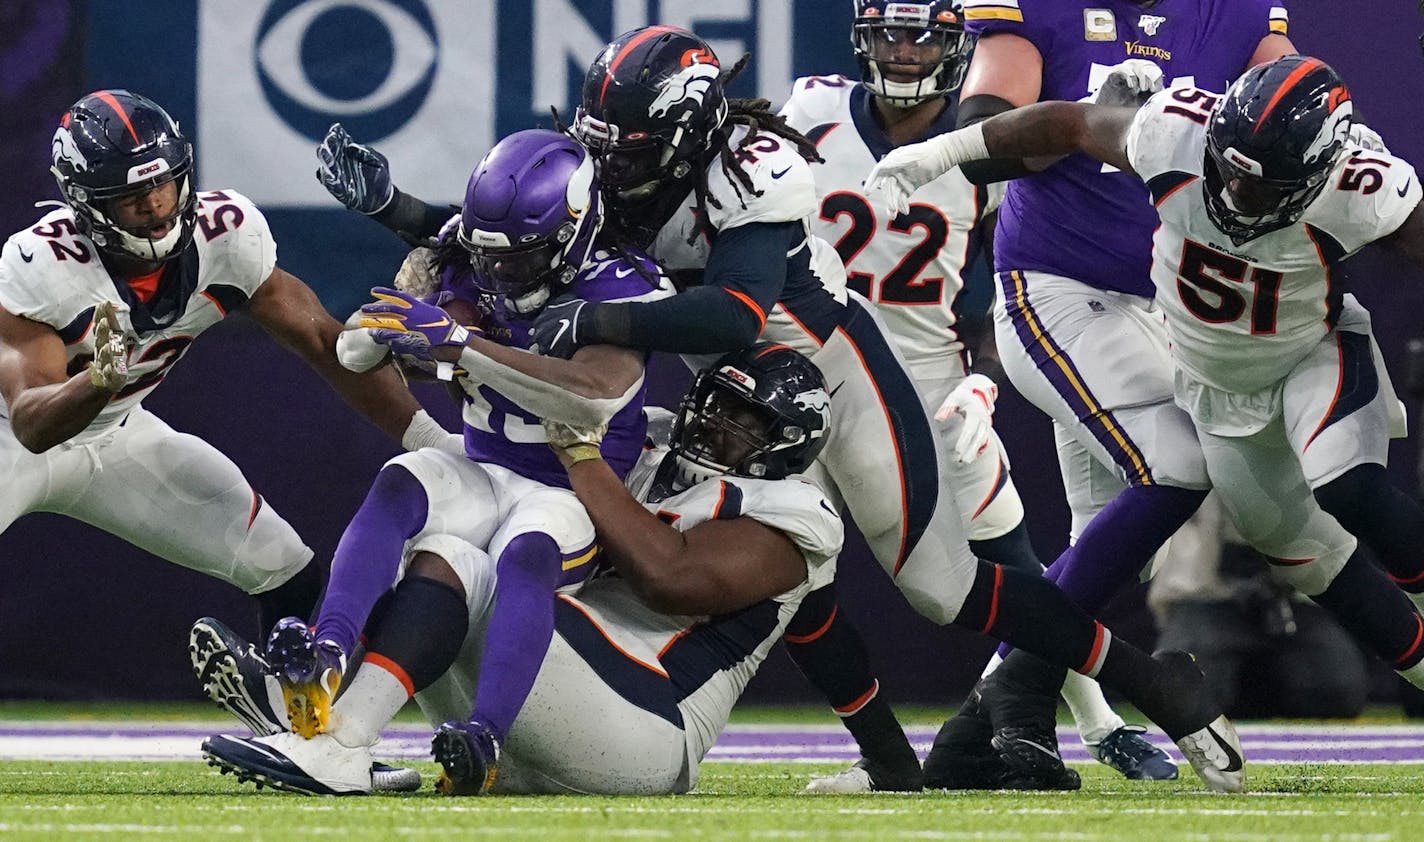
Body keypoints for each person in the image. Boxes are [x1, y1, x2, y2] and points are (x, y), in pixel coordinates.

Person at [316, 25, 1248, 793]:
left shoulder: (757, 164)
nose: (609, 162)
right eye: (602, 139)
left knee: (944, 586)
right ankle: (891, 764)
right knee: (785, 576)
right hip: (736, 396)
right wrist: (404, 214)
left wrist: (583, 319)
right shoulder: (629, 160)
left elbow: (734, 310)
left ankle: (1148, 680)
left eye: (630, 148)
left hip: (827, 373)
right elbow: (525, 242)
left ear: (685, 135)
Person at [864, 56, 1424, 744]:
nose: (1238, 192)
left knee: (1349, 482)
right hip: (1216, 387)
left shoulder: (1361, 185)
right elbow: (1064, 123)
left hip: (1314, 353)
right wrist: (936, 154)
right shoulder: (1175, 133)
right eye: (1232, 169)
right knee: (1303, 553)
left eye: (1262, 181)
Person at [857, 0, 1301, 784]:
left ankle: (981, 728)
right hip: (1054, 289)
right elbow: (991, 130)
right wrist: (1090, 121)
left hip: (1162, 303)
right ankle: (1101, 686)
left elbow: (1295, 102)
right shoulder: (1044, 6)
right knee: (1179, 464)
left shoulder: (1231, 13)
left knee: (1108, 551)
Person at [192, 129, 672, 786]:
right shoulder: (468, 252)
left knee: (524, 555)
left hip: (572, 486)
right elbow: (367, 350)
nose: (500, 272)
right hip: (483, 463)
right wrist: (394, 332)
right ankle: (326, 655)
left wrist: (457, 346)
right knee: (404, 485)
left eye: (521, 258)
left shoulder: (622, 282)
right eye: (489, 257)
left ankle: (485, 736)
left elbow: (591, 398)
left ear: (576, 232)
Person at [776, 0, 1173, 790]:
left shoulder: (986, 153)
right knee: (791, 574)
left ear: (960, 50)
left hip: (929, 384)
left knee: (1010, 557)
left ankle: (1094, 719)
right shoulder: (811, 110)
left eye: (923, 36)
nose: (905, 52)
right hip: (801, 375)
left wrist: (986, 378)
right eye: (890, 33)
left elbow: (1009, 275)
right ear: (862, 36)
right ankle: (880, 756)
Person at [0, 90, 453, 743]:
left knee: (283, 563)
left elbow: (327, 346)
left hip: (116, 433)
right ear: (86, 205)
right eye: (133, 197)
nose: (156, 205)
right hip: (21, 439)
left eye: (163, 183)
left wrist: (432, 440)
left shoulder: (226, 236)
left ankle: (297, 736)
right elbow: (32, 424)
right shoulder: (42, 265)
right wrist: (98, 380)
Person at [199, 343, 843, 795]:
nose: (713, 423)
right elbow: (505, 463)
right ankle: (333, 715)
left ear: (787, 443)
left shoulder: (796, 513)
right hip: (538, 693)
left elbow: (667, 576)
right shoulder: (650, 437)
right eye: (715, 403)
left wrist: (583, 459)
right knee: (442, 534)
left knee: (473, 569)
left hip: (643, 730)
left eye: (744, 419)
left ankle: (325, 733)